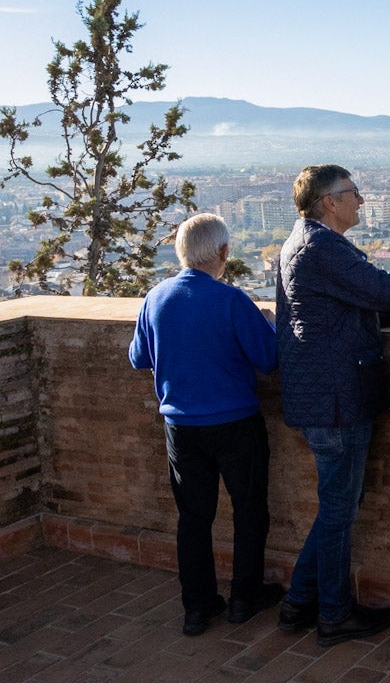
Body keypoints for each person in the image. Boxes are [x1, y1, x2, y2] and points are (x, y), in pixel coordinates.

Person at [275, 164, 390, 647]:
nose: (361, 201)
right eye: (353, 193)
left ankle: (299, 602)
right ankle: (334, 614)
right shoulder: (320, 247)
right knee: (339, 510)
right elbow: (385, 291)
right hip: (336, 399)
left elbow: (361, 302)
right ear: (329, 201)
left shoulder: (305, 242)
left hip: (325, 395)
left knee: (336, 507)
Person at [129, 213, 281, 636]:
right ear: (223, 253)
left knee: (193, 518)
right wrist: (266, 323)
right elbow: (269, 360)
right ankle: (244, 597)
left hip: (180, 426)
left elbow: (138, 358)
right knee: (249, 511)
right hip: (235, 422)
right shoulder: (231, 301)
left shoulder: (155, 298)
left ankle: (197, 607)